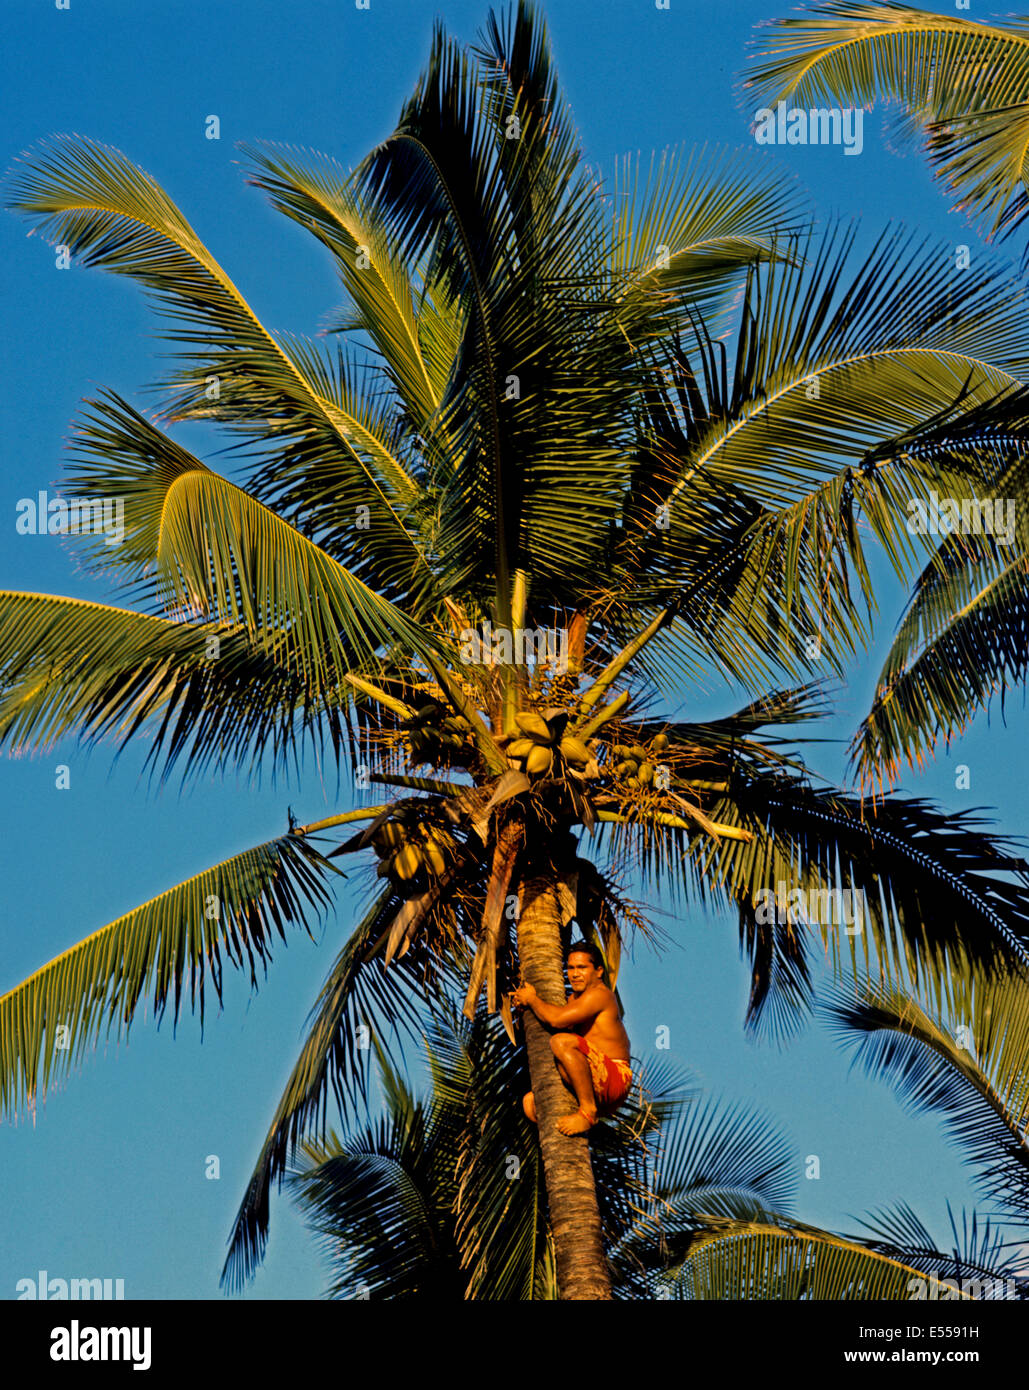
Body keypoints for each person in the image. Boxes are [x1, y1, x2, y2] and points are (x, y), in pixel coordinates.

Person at [512, 941, 632, 1136]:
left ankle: (588, 1112)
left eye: (582, 967)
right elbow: (556, 1022)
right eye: (571, 968)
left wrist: (532, 999)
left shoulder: (600, 995)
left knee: (561, 1042)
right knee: (530, 1102)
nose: (575, 974)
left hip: (615, 1077)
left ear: (599, 971)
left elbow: (556, 1020)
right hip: (592, 1076)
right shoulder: (574, 999)